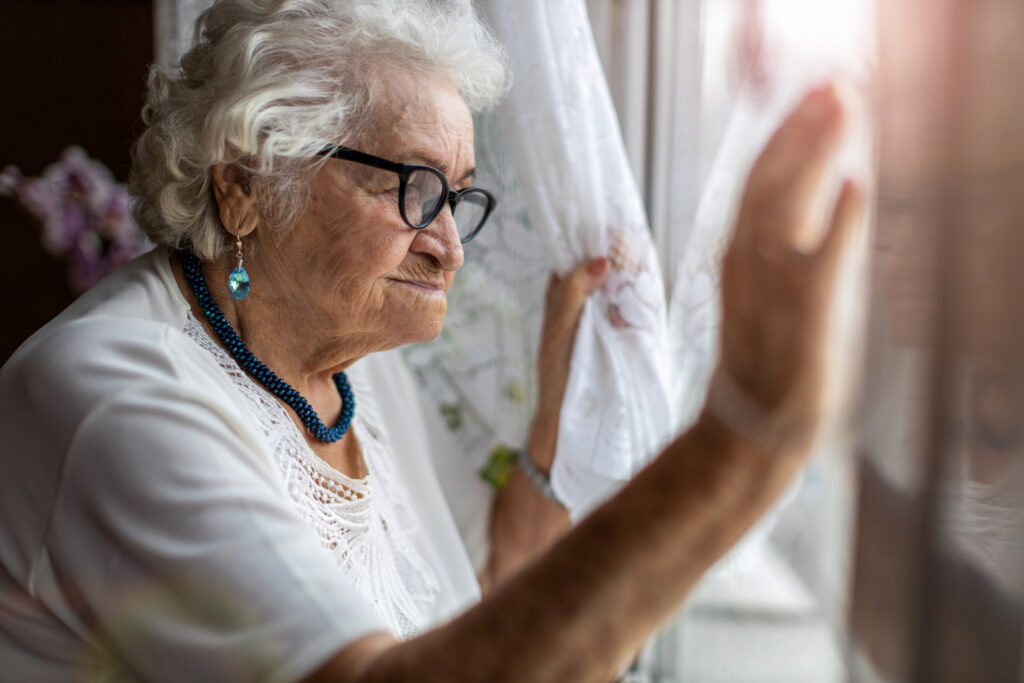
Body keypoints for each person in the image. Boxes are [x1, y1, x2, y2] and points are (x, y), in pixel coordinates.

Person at [0, 1, 862, 680]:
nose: (449, 242)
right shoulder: (115, 399)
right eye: (413, 187)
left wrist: (555, 419)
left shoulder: (365, 378)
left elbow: (460, 625)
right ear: (246, 185)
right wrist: (746, 440)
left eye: (458, 196)